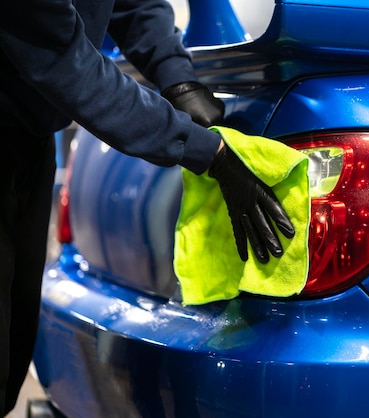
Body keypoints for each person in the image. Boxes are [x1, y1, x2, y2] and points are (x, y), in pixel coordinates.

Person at [0, 0, 295, 415]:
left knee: (8, 366)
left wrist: (178, 80)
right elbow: (65, 59)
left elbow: (131, 4)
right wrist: (208, 153)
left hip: (28, 138)